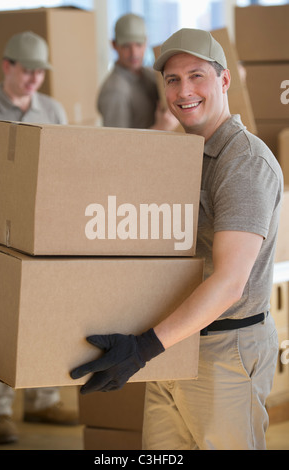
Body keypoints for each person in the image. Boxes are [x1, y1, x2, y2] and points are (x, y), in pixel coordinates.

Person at [70, 28, 284, 451]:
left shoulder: (243, 162)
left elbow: (229, 283)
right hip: (173, 342)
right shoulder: (179, 156)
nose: (184, 90)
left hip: (225, 350)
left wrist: (143, 348)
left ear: (224, 81)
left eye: (196, 76)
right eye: (172, 79)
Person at [0, 31, 77, 445]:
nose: (33, 80)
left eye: (40, 73)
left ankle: (43, 400)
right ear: (7, 66)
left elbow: (67, 166)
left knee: (45, 313)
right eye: (27, 71)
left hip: (43, 229)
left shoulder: (52, 110)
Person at [97, 13, 178, 131]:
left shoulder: (151, 75)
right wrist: (161, 128)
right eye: (126, 46)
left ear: (146, 42)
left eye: (139, 44)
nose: (134, 53)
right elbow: (117, 145)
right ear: (114, 45)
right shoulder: (115, 91)